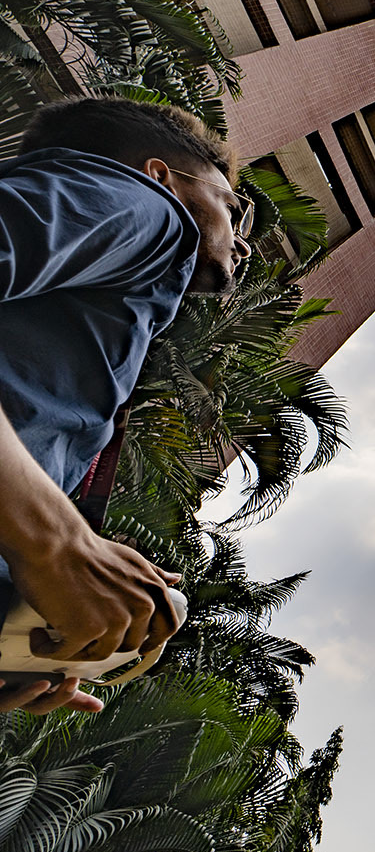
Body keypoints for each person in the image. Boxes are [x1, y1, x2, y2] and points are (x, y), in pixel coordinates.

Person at [0, 96, 252, 714]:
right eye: (233, 206)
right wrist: (55, 544)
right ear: (159, 174)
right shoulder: (151, 212)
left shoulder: (105, 303)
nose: (243, 241)